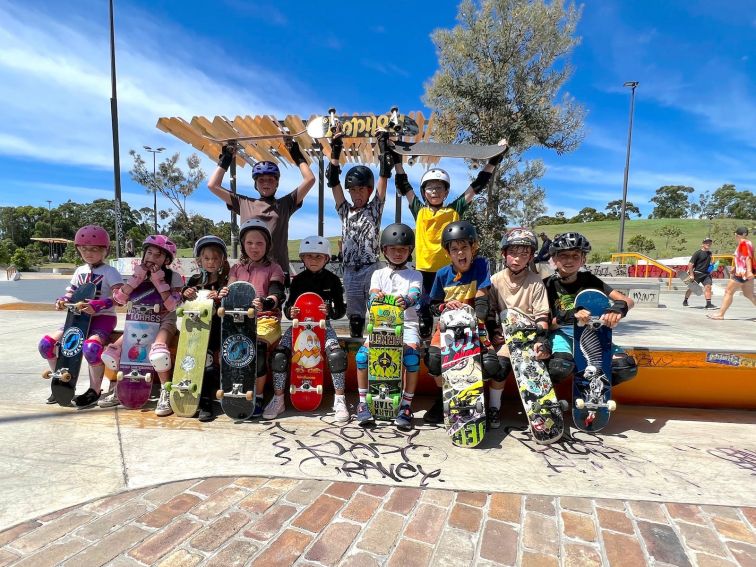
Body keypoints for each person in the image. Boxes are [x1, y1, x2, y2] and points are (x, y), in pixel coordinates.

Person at [394, 155, 504, 339]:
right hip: (424, 269)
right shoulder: (419, 210)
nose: (434, 191)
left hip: (448, 271)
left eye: (439, 188)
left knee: (450, 306)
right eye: (430, 188)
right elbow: (405, 185)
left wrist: (493, 162)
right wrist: (397, 160)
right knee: (425, 308)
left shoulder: (455, 209)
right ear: (424, 192)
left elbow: (476, 186)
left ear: (446, 192)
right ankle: (426, 329)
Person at [424, 221, 503, 424]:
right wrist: (444, 307)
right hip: (447, 326)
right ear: (448, 253)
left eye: (464, 248)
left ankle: (475, 396)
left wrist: (474, 321)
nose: (460, 254)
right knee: (433, 361)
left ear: (473, 248)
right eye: (455, 249)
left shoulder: (481, 265)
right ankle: (442, 399)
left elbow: (482, 300)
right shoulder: (442, 274)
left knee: (492, 365)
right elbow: (434, 305)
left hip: (476, 322)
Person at [265, 235, 349, 422]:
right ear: (302, 258)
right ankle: (279, 399)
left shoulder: (333, 280)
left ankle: (339, 399)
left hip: (323, 327)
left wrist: (330, 311)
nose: (313, 260)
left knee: (337, 355)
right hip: (299, 328)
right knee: (279, 356)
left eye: (318, 256)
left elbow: (340, 311)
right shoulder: (298, 281)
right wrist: (291, 311)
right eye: (309, 256)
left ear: (327, 258)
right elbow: (288, 308)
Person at [207, 139, 315, 282]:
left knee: (275, 304)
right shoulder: (243, 202)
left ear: (277, 183)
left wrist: (296, 154)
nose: (266, 183)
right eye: (261, 180)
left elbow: (310, 179)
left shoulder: (285, 204)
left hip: (278, 270)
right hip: (248, 270)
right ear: (255, 184)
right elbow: (212, 185)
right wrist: (226, 159)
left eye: (271, 180)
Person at [39, 225, 123, 408]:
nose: (89, 253)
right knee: (46, 345)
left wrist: (100, 304)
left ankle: (94, 390)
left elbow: (120, 297)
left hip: (103, 318)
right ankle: (60, 384)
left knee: (91, 348)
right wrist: (62, 300)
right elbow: (71, 293)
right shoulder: (79, 271)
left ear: (105, 250)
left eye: (94, 249)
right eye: (84, 249)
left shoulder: (110, 272)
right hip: (77, 319)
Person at [100, 235, 184, 416]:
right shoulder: (137, 273)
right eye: (149, 253)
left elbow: (172, 305)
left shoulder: (173, 277)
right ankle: (117, 388)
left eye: (158, 255)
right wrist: (136, 279)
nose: (152, 258)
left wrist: (158, 281)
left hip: (164, 322)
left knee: (159, 353)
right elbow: (120, 300)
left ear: (167, 260)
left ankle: (165, 391)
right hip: (137, 321)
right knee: (111, 352)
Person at [543, 232, 638, 387]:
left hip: (592, 335)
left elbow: (628, 300)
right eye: (564, 255)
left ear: (583, 259)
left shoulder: (590, 280)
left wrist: (617, 310)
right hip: (562, 335)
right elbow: (549, 324)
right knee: (559, 367)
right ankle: (549, 397)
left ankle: (594, 388)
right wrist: (569, 316)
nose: (569, 260)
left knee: (625, 367)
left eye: (575, 256)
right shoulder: (546, 285)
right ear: (554, 259)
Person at [355, 224, 423, 429]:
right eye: (393, 249)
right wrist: (377, 296)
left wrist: (408, 300)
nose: (398, 253)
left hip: (407, 324)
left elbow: (415, 294)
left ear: (409, 251)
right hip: (379, 325)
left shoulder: (415, 274)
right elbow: (373, 293)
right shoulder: (378, 273)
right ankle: (362, 403)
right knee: (362, 356)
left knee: (411, 357)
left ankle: (406, 405)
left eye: (403, 249)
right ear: (384, 250)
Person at [326, 129, 391, 337]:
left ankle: (380, 344)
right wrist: (336, 151)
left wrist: (383, 145)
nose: (357, 194)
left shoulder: (375, 208)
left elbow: (384, 175)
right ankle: (356, 348)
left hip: (371, 268)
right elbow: (333, 182)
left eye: (361, 190)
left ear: (369, 190)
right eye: (353, 190)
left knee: (378, 310)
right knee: (355, 318)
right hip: (350, 271)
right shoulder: (344, 210)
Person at [486, 228, 551, 429]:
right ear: (504, 254)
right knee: (500, 368)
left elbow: (541, 317)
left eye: (524, 254)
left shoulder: (536, 282)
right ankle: (494, 407)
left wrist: (541, 340)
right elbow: (490, 313)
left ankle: (538, 409)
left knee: (538, 365)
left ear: (531, 257)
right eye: (513, 253)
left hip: (529, 337)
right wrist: (494, 333)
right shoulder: (495, 280)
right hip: (506, 336)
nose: (517, 259)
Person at [222, 219, 286, 418]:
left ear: (267, 245)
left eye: (259, 243)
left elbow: (278, 294)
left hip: (266, 320)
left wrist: (267, 302)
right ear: (243, 244)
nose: (254, 247)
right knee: (228, 347)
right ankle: (232, 388)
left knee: (255, 349)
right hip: (239, 320)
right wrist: (224, 293)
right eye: (249, 243)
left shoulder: (274, 268)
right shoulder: (236, 269)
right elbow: (230, 291)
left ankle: (257, 396)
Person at [181, 235, 230, 422]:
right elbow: (183, 298)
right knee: (202, 363)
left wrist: (220, 296)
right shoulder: (194, 280)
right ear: (199, 260)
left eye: (215, 258)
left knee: (211, 363)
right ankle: (203, 400)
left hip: (218, 330)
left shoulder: (226, 282)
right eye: (207, 258)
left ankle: (211, 400)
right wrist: (186, 292)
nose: (211, 262)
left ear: (222, 260)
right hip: (197, 332)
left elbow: (230, 301)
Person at [707, 227, 755, 320]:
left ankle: (720, 314)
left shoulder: (743, 243)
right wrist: (735, 267)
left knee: (728, 292)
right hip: (745, 272)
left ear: (736, 235)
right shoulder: (748, 243)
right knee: (749, 295)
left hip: (742, 273)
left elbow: (747, 258)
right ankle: (720, 313)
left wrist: (748, 271)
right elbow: (742, 258)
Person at [683, 238, 717, 309]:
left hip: (706, 274)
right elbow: (690, 264)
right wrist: (692, 275)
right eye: (706, 242)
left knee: (708, 287)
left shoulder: (710, 253)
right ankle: (685, 300)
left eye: (709, 243)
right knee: (691, 288)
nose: (708, 244)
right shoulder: (697, 253)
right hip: (697, 273)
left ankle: (708, 304)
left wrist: (711, 265)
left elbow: (707, 263)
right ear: (702, 244)